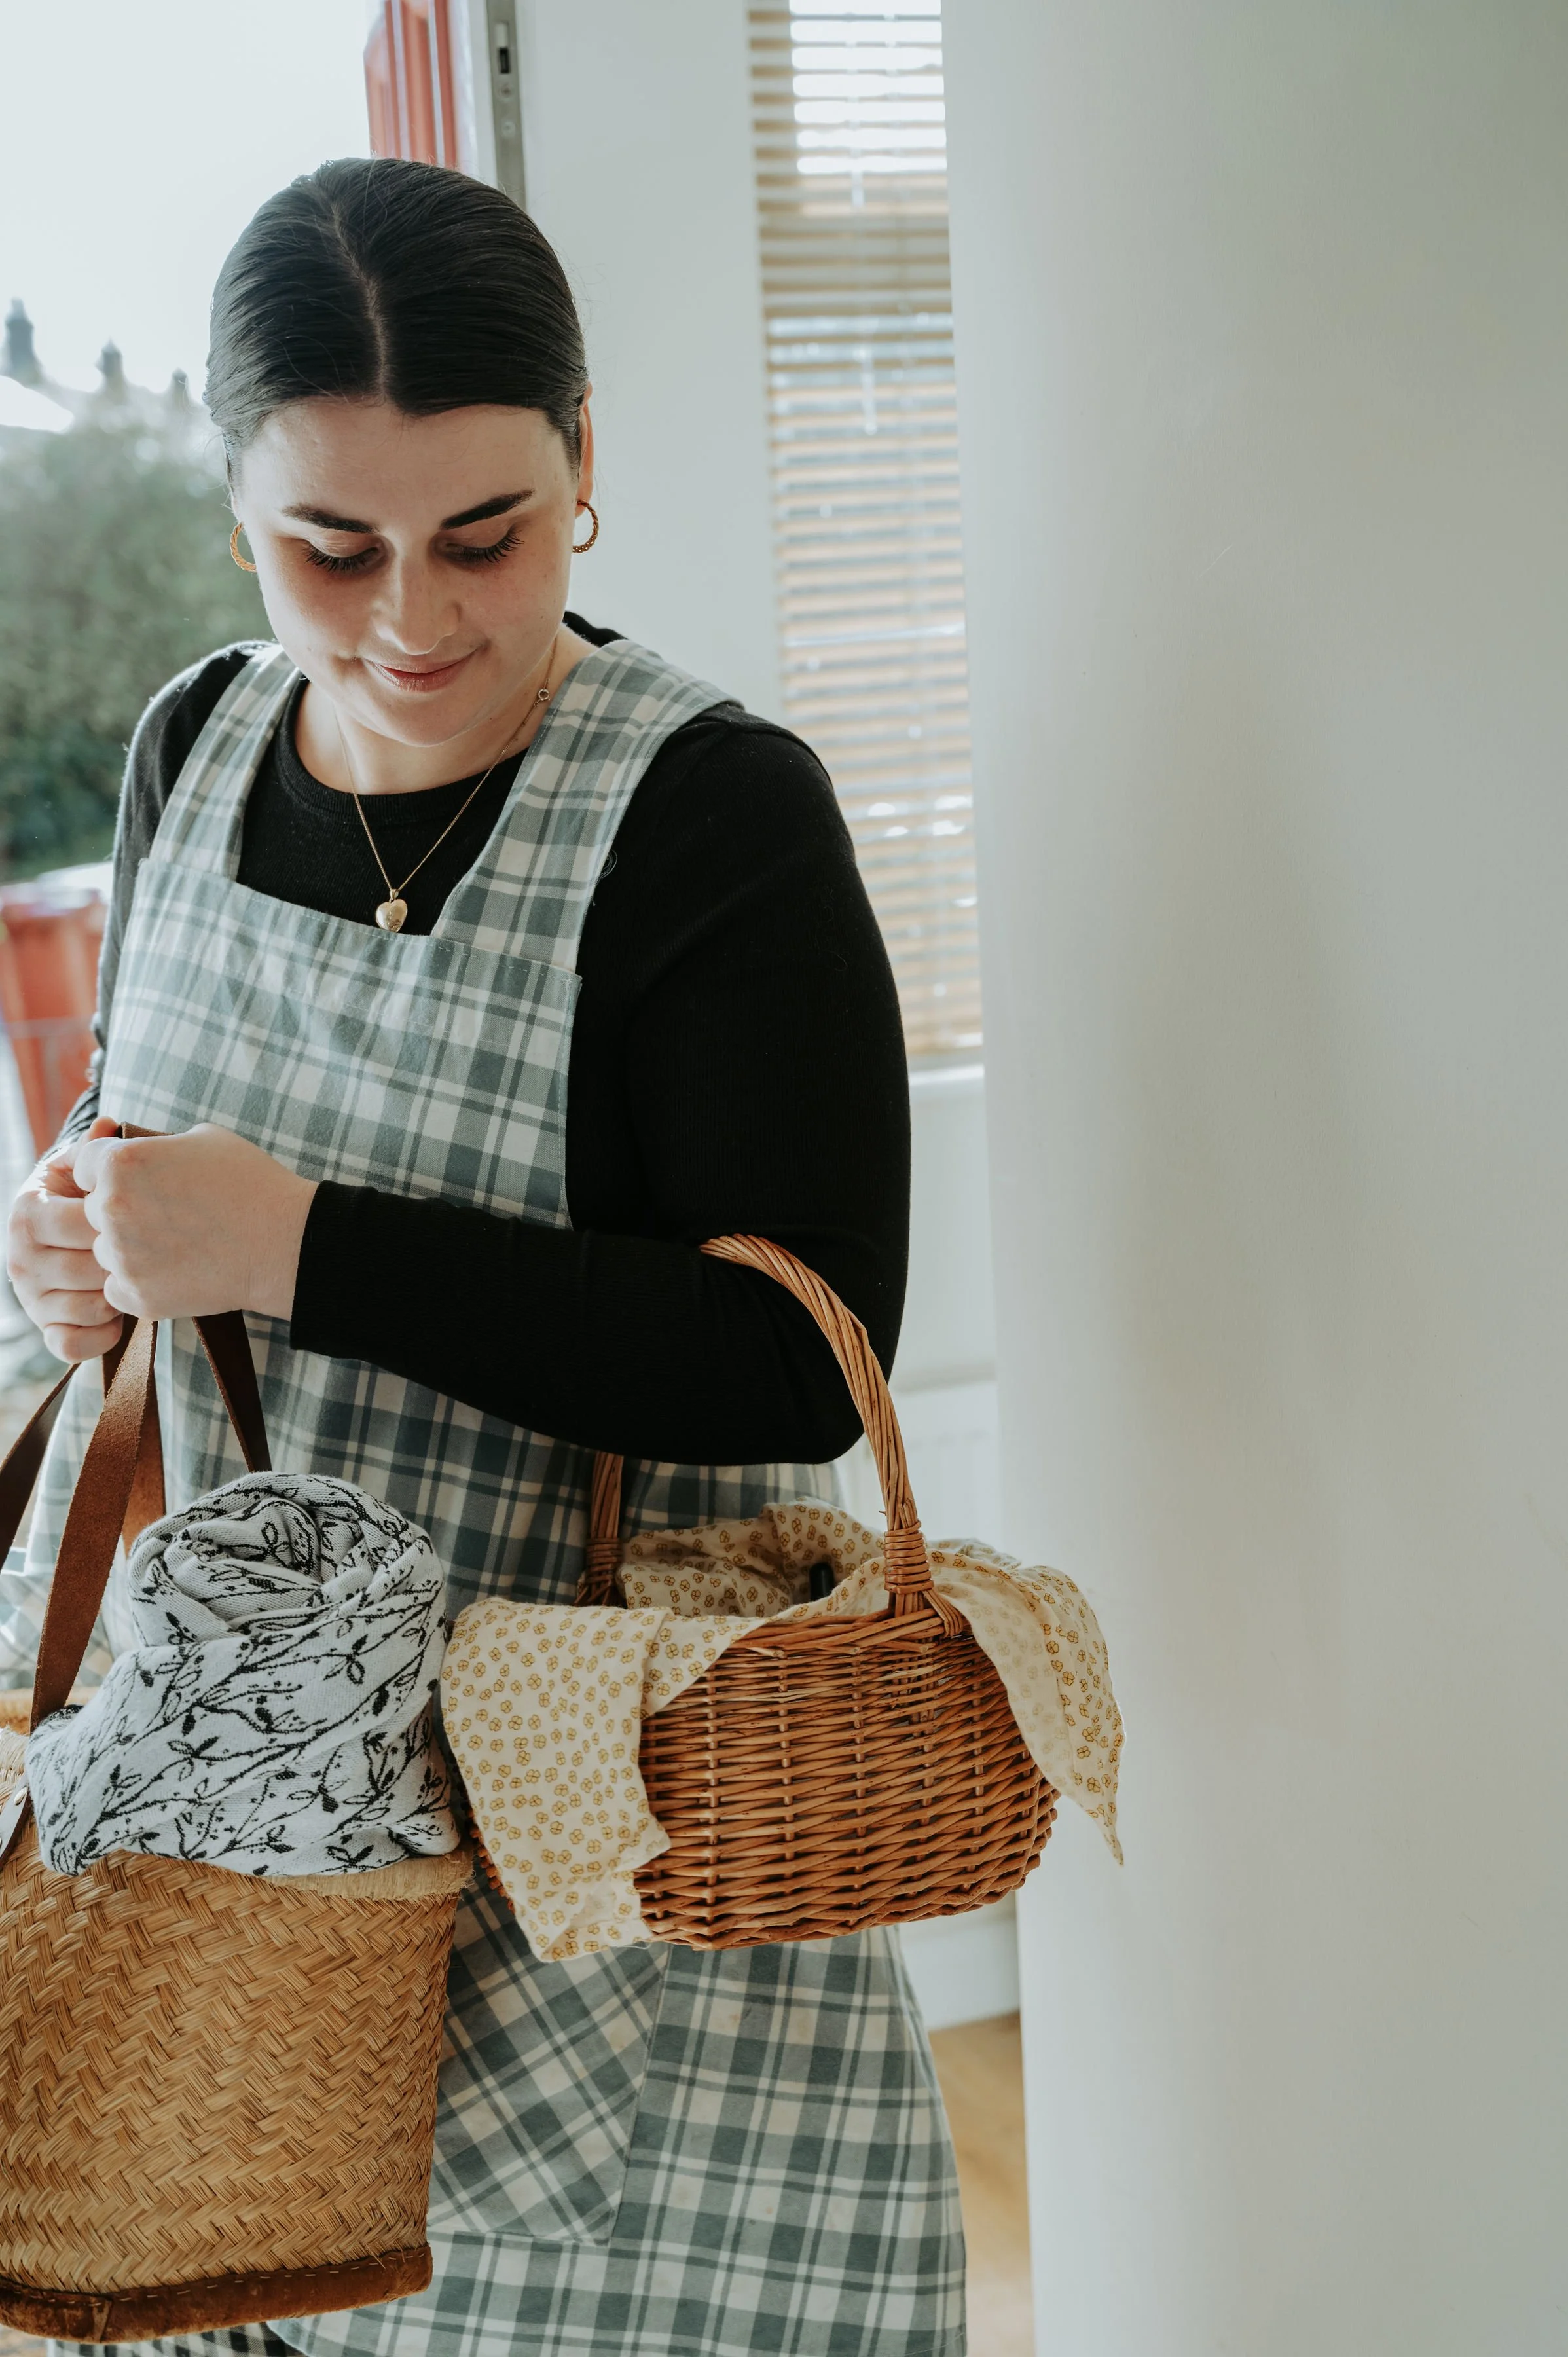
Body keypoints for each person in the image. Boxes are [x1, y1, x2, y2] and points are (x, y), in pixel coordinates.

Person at [2, 160, 963, 2357]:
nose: (412, 619)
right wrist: (79, 1233)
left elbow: (796, 1359)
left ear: (588, 464)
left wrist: (302, 1249)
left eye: (488, 536)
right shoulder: (190, 741)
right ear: (231, 499)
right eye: (328, 547)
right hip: (242, 1824)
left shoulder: (718, 815)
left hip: (592, 1826)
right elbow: (134, 1127)